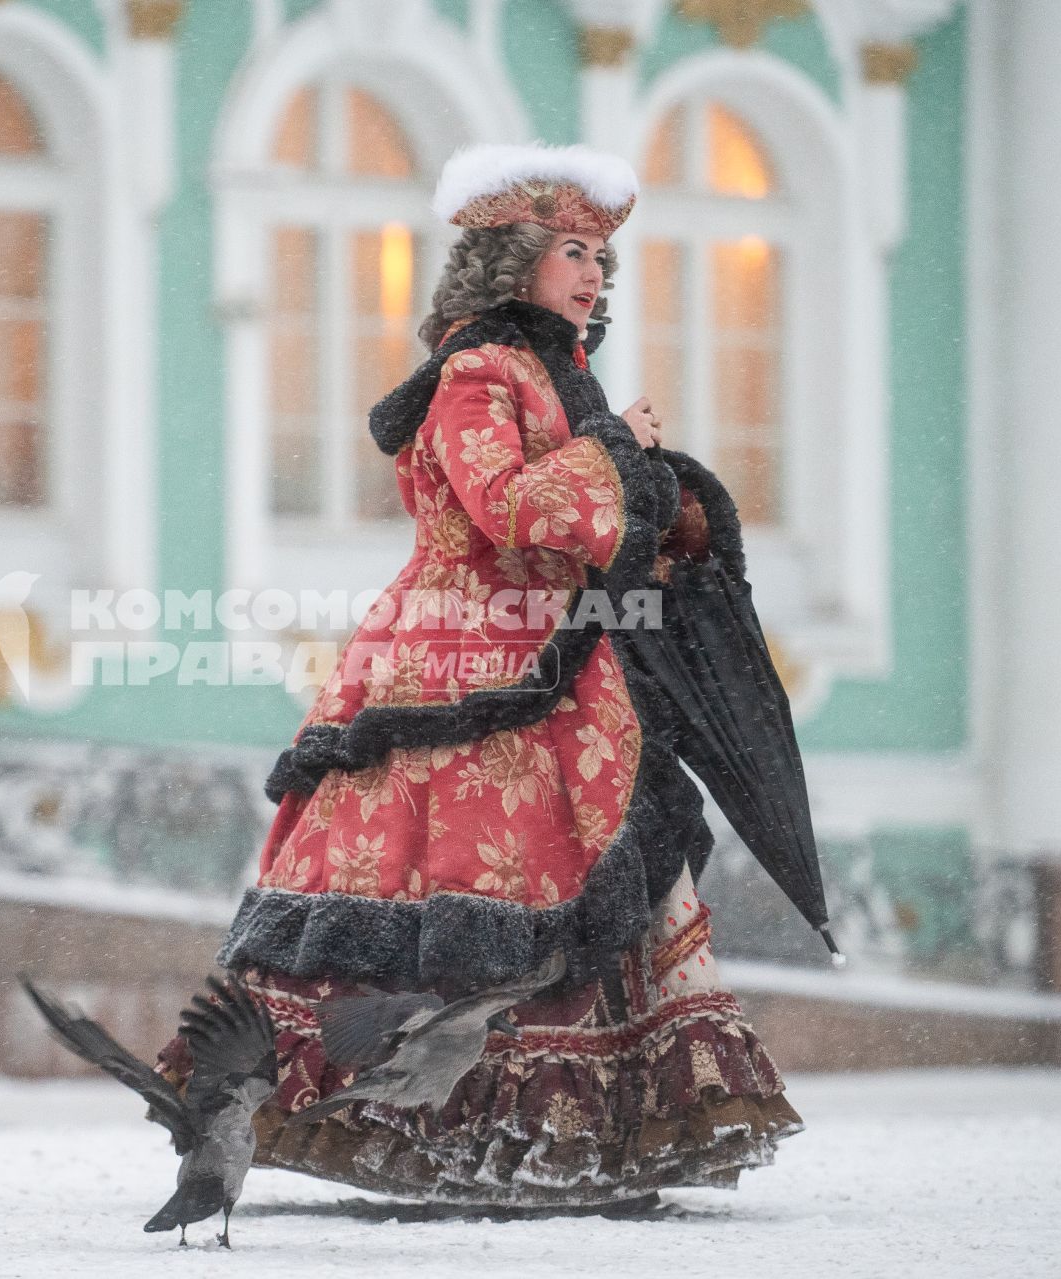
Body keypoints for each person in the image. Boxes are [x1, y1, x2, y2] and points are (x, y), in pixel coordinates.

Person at [159, 143, 802, 1212]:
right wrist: (615, 451)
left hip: (561, 650)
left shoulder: (558, 371)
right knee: (470, 868)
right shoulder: (475, 370)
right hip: (469, 649)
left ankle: (584, 1125)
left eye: (602, 254)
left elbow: (586, 515)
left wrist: (661, 493)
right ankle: (446, 1123)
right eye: (570, 250)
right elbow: (504, 506)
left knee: (598, 850)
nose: (594, 273)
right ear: (512, 259)